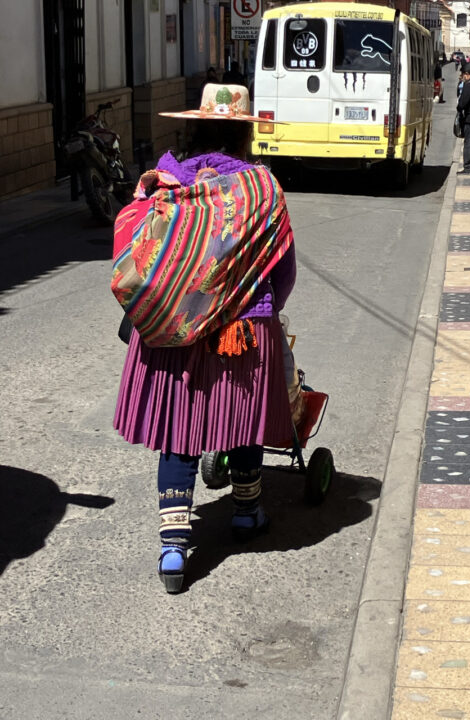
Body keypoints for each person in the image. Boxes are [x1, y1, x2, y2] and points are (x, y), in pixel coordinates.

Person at [111, 84, 296, 593]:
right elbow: (283, 271)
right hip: (241, 326)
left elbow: (133, 246)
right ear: (243, 131)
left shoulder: (165, 177)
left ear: (194, 125)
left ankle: (173, 548)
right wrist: (263, 308)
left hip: (170, 324)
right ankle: (245, 511)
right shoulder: (260, 186)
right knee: (242, 418)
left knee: (178, 429)